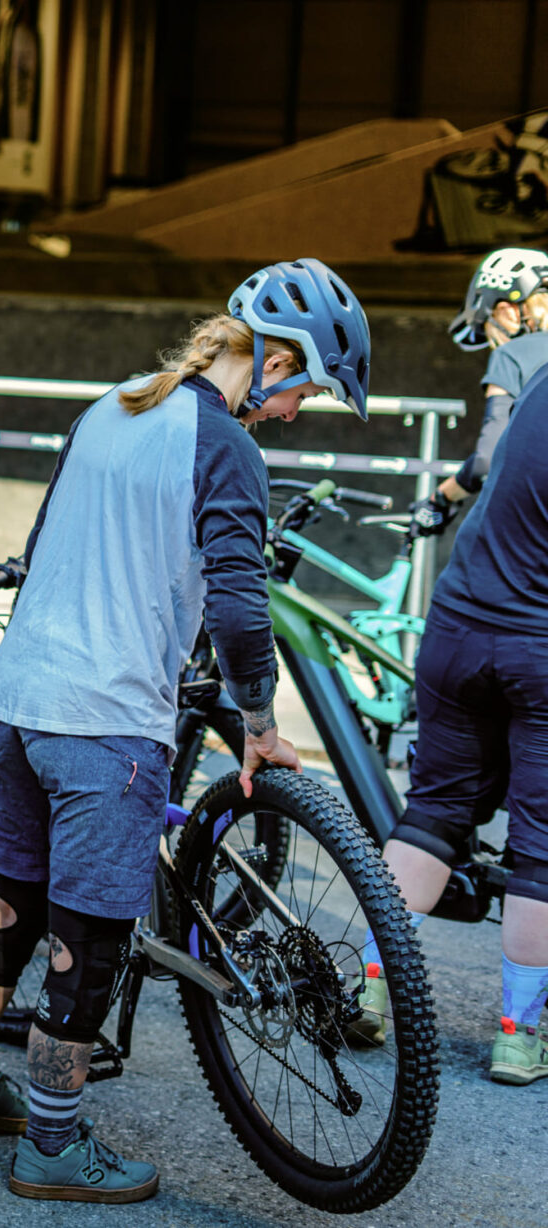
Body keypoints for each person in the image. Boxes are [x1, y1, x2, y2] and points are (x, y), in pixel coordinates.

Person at [0, 260, 370, 1203]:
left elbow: (45, 544)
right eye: (310, 393)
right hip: (104, 725)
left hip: (15, 704)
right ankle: (51, 1147)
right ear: (279, 359)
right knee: (83, 946)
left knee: (10, 903)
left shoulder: (110, 406)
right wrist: (259, 725)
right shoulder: (229, 449)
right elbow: (244, 616)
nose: (299, 415)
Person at [347, 331, 548, 1084]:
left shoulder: (540, 377)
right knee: (541, 846)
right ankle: (517, 1036)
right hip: (538, 650)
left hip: (458, 629)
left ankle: (370, 987)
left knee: (432, 812)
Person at [408, 247, 548, 536]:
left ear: (507, 309)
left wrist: (441, 498)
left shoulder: (514, 354)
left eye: (489, 326)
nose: (493, 342)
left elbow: (487, 459)